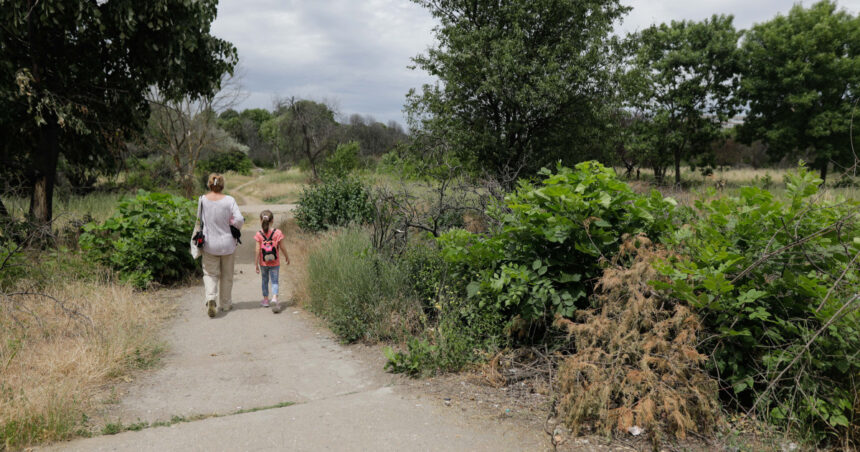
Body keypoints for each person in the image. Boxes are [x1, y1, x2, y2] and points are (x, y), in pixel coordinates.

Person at [199, 173, 244, 318]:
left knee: (210, 274)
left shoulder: (202, 200)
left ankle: (211, 297)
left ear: (209, 184)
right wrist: (233, 226)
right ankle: (225, 304)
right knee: (227, 275)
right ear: (222, 185)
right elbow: (239, 219)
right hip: (227, 244)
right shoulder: (230, 200)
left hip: (209, 244)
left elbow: (199, 220)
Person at [254, 209, 290, 313]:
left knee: (264, 280)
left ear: (261, 220)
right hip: (275, 263)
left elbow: (257, 250)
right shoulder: (277, 233)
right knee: (274, 281)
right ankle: (274, 298)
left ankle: (266, 300)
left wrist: (256, 263)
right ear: (273, 220)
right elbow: (282, 247)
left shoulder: (259, 234)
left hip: (263, 263)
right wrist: (287, 257)